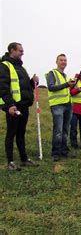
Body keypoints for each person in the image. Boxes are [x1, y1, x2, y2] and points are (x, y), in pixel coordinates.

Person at [0, 42, 39, 170]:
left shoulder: (21, 67)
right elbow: (3, 87)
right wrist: (10, 105)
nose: (22, 53)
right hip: (13, 107)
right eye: (20, 51)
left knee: (21, 133)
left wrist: (32, 82)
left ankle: (24, 159)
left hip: (24, 105)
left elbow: (25, 86)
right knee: (11, 133)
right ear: (12, 50)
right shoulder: (5, 66)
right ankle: (10, 162)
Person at [46, 54, 76, 162]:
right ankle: (55, 153)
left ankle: (64, 151)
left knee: (65, 130)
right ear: (56, 61)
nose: (63, 62)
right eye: (61, 60)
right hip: (57, 105)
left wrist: (71, 86)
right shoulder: (52, 73)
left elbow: (66, 89)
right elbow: (51, 87)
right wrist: (66, 84)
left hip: (68, 104)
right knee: (58, 130)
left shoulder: (66, 76)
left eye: (65, 60)